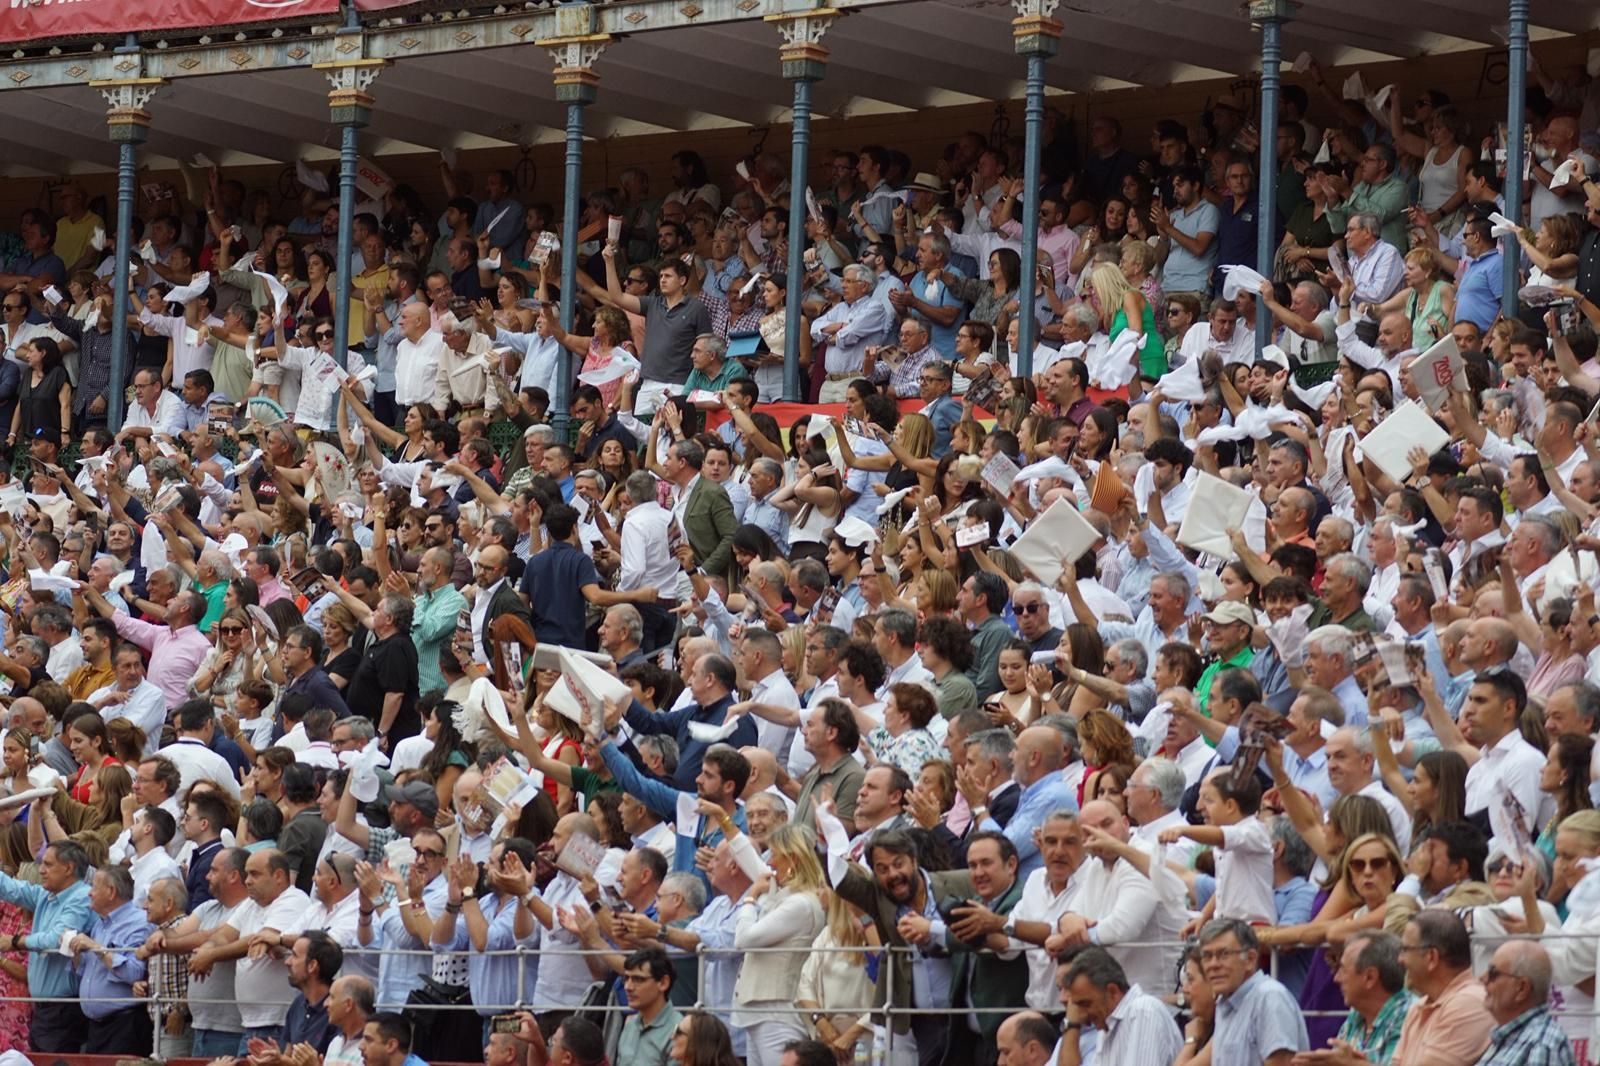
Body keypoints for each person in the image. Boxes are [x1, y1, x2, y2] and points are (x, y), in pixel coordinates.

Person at [1197, 917, 1308, 1066]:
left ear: (1250, 959)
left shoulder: (1270, 999)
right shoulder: (1226, 1003)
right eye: (1207, 956)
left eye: (1224, 954)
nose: (1213, 964)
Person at [71, 865, 155, 1054]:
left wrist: (95, 947)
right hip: (95, 1028)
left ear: (111, 891)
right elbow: (86, 972)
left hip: (125, 1025)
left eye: (94, 887)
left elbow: (134, 973)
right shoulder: (100, 924)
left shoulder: (140, 923)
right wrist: (75, 953)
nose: (89, 894)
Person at [1054, 946, 1183, 1066]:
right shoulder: (1106, 1028)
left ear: (1112, 991)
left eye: (1086, 1004)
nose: (1082, 1013)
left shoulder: (1143, 1010)